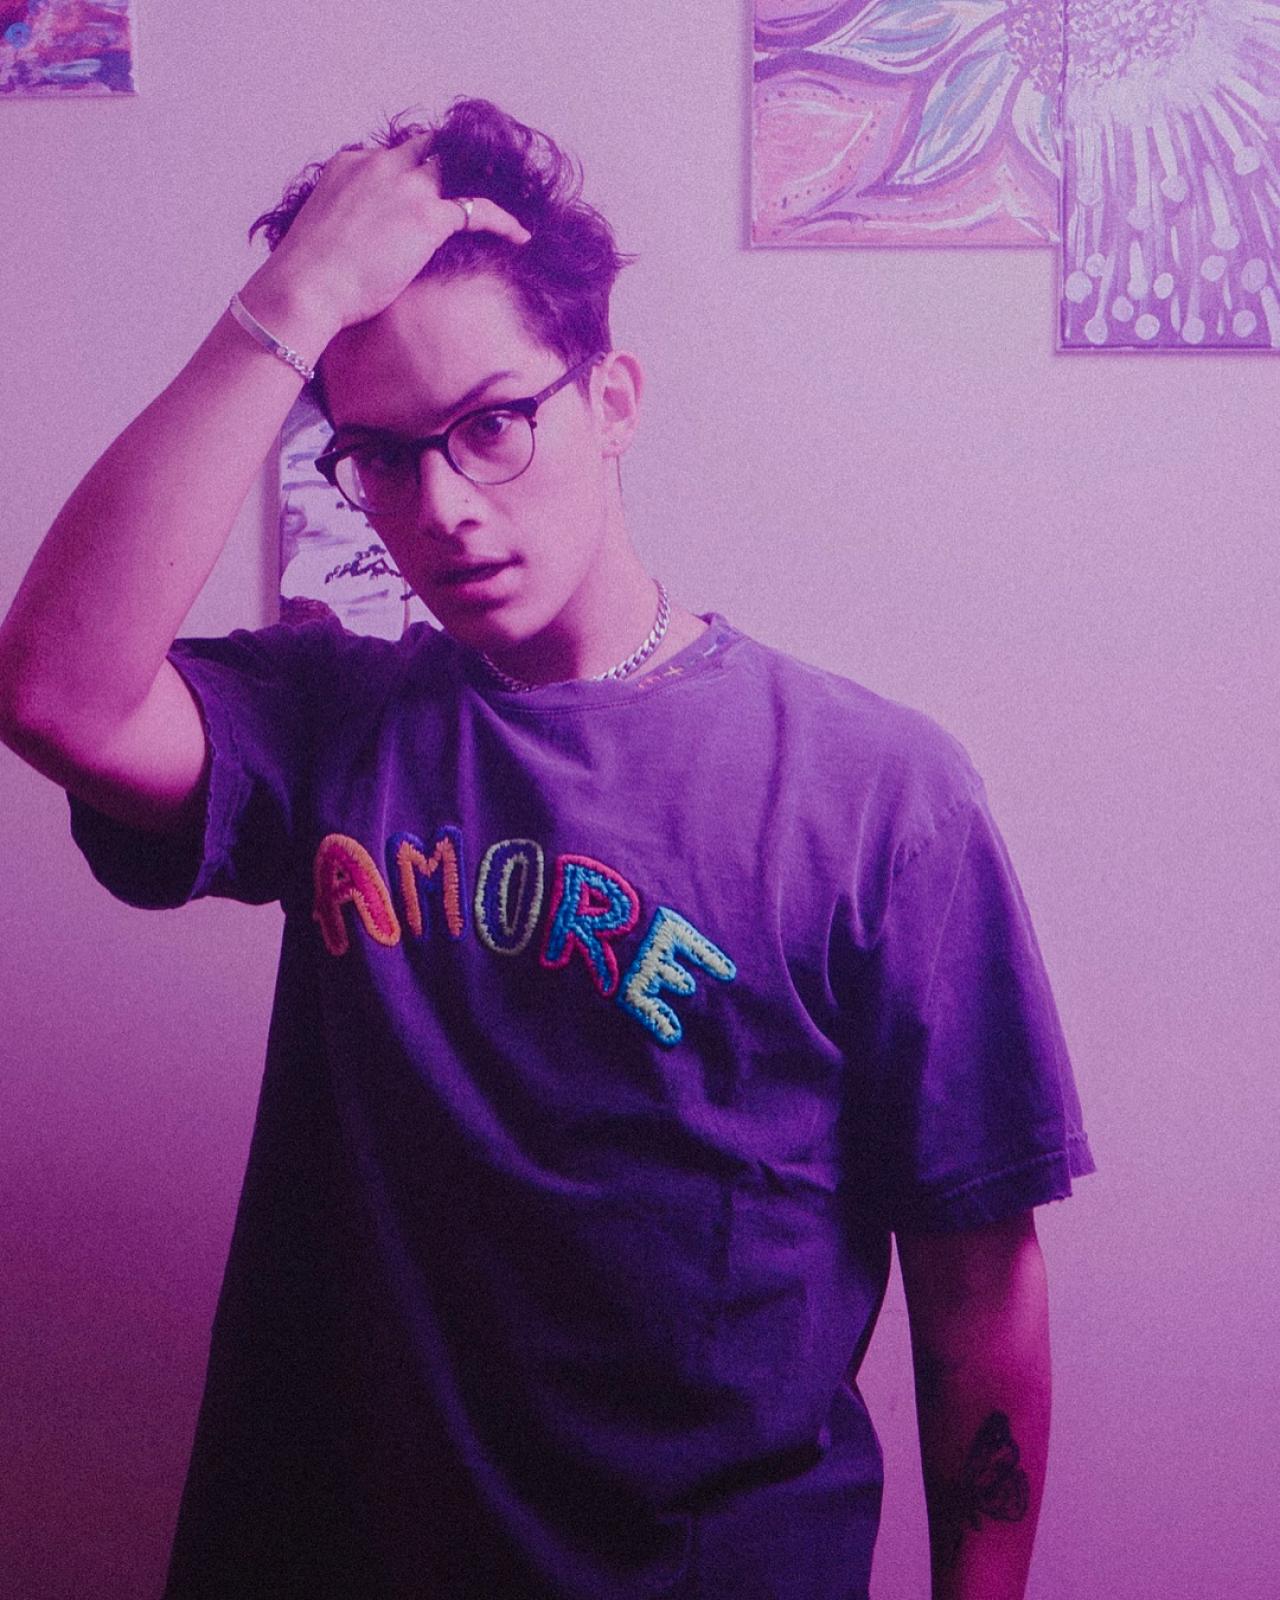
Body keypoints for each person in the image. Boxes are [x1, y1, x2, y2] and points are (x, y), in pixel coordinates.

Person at [0, 97, 1095, 1600]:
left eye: (493, 425)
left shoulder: (876, 798)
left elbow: (980, 1279)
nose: (441, 508)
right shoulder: (328, 721)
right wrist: (288, 305)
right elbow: (55, 694)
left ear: (613, 399)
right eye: (381, 458)